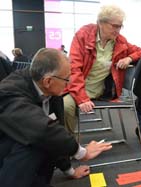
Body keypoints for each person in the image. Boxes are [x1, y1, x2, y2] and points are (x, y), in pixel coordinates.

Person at [0, 48, 112, 187]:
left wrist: (70, 171)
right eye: (66, 78)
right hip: (7, 159)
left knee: (48, 140)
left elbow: (54, 132)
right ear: (48, 81)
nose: (69, 83)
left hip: (25, 164)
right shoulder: (9, 92)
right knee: (32, 143)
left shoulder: (52, 91)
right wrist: (81, 152)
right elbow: (41, 131)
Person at [62, 5, 141, 134]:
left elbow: (140, 52)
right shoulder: (83, 35)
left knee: (64, 106)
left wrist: (128, 58)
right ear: (101, 23)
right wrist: (82, 98)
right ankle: (69, 146)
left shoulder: (120, 41)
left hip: (103, 92)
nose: (118, 30)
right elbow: (74, 69)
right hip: (78, 89)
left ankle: (68, 146)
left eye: (120, 26)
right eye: (114, 26)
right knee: (65, 106)